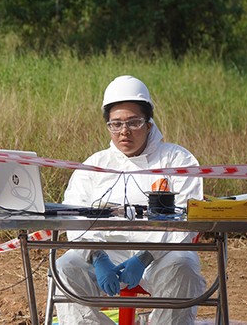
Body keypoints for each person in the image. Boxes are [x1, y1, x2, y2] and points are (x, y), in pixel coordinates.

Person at [55, 75, 206, 325]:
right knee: (65, 268)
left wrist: (146, 256)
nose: (124, 132)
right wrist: (97, 256)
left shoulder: (178, 161)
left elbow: (186, 221)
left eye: (134, 122)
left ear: (148, 124)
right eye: (116, 124)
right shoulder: (94, 166)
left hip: (161, 253)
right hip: (106, 252)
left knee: (183, 265)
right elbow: (75, 219)